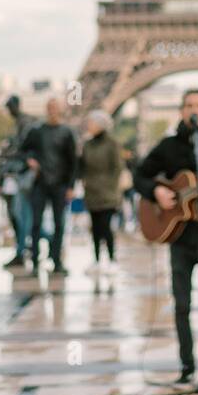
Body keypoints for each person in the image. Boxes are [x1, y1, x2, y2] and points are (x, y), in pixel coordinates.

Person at [135, 89, 198, 389]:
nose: (194, 110)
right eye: (188, 105)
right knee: (181, 303)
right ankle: (185, 365)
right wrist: (157, 191)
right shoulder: (168, 146)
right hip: (179, 234)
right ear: (181, 111)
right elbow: (141, 175)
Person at [24, 98, 77, 278]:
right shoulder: (37, 131)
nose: (52, 111)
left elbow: (73, 162)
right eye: (50, 108)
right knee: (36, 224)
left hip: (60, 184)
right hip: (40, 183)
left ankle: (56, 260)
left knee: (59, 224)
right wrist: (30, 160)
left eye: (55, 108)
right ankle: (36, 261)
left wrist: (70, 186)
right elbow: (24, 150)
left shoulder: (66, 132)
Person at [79, 110, 123, 274]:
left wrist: (109, 186)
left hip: (107, 193)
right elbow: (82, 166)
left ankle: (112, 259)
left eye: (92, 123)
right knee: (95, 228)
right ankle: (96, 260)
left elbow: (117, 168)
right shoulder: (87, 144)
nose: (89, 126)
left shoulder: (112, 144)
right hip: (91, 192)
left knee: (106, 228)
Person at [0, 94, 38, 269]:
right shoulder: (22, 122)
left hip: (22, 175)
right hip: (18, 174)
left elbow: (23, 147)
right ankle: (25, 248)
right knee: (20, 215)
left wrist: (9, 151)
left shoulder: (25, 123)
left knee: (21, 215)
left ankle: (23, 250)